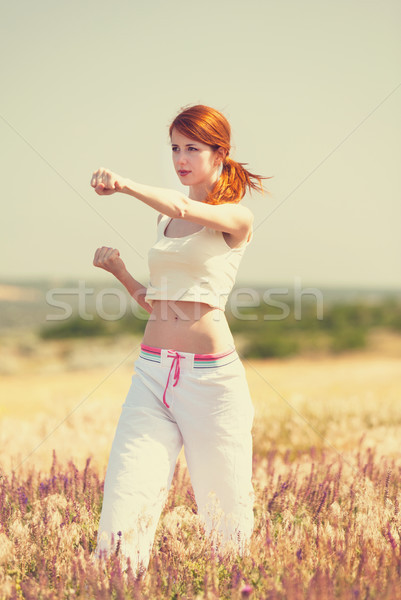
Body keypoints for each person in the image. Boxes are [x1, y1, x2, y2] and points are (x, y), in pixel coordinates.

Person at [90, 104, 269, 574]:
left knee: (225, 510)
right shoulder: (164, 224)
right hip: (151, 372)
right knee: (126, 494)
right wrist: (122, 272)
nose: (180, 157)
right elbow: (161, 303)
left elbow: (189, 205)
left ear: (219, 153)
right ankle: (113, 584)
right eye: (174, 147)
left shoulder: (236, 217)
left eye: (192, 147)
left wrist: (125, 184)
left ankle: (234, 586)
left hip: (210, 382)